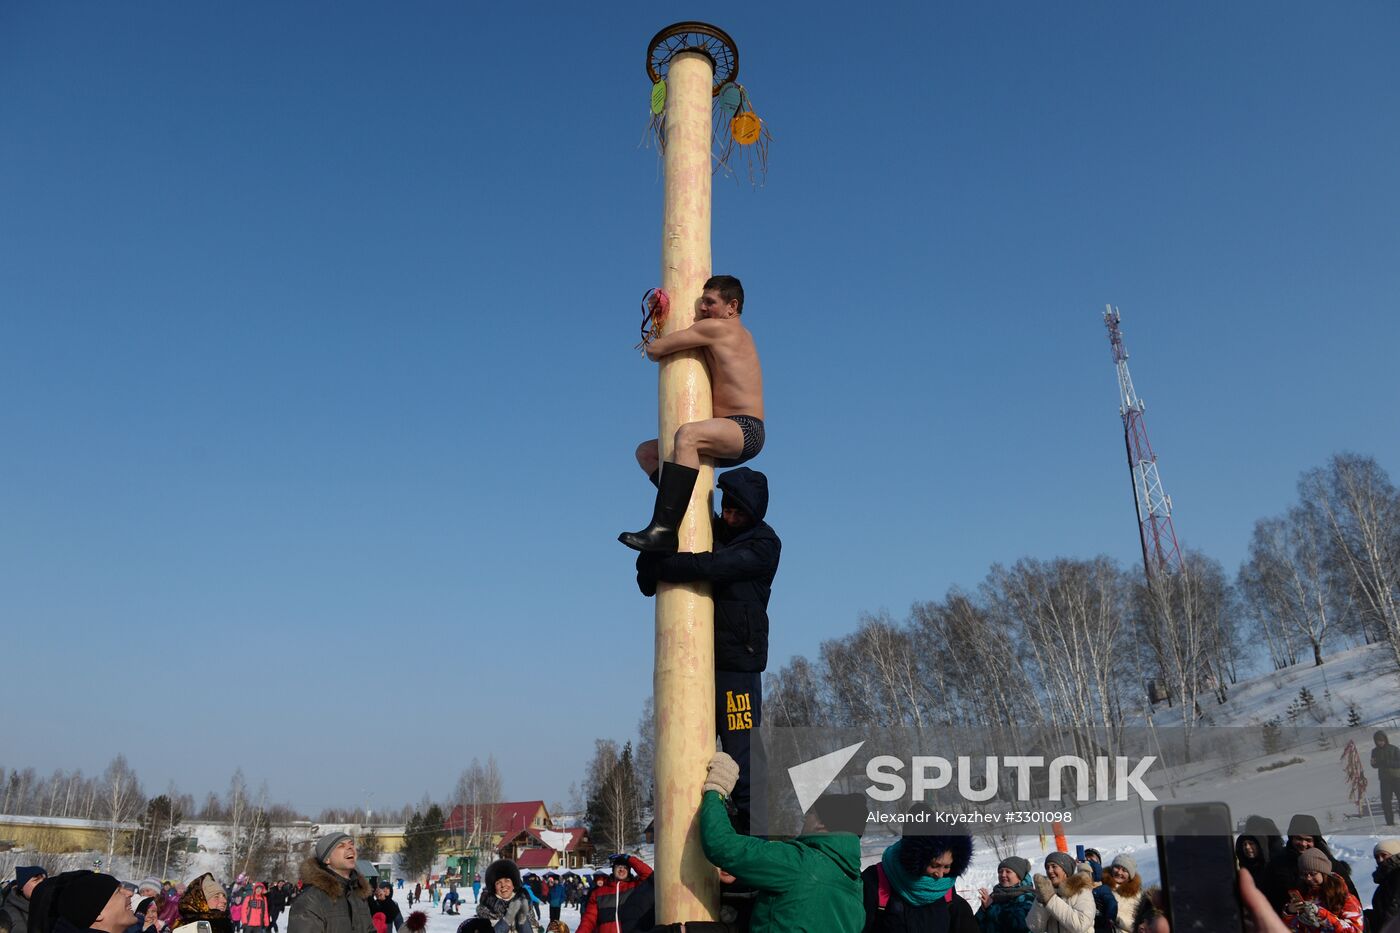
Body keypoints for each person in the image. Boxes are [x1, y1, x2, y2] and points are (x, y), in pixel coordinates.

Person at [636, 466, 779, 834]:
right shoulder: (707, 526)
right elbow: (655, 569)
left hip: (738, 666)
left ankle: (755, 836)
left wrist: (663, 565)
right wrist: (651, 559)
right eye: (727, 509)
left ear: (754, 514)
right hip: (695, 662)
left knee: (742, 754)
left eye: (738, 513)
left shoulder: (764, 545)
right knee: (686, 747)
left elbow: (714, 566)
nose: (729, 517)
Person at [621, 274, 766, 553]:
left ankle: (663, 529)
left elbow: (655, 350)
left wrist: (661, 320)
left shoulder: (719, 328)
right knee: (648, 453)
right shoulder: (729, 331)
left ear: (732, 307)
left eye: (710, 303)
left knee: (687, 435)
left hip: (744, 428)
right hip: (726, 429)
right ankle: (692, 514)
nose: (702, 308)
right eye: (701, 303)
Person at [698, 751, 864, 933]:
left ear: (821, 824)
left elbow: (720, 844)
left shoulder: (799, 862)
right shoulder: (855, 888)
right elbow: (800, 905)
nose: (804, 819)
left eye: (810, 814)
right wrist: (750, 871)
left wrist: (717, 788)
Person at [863, 822, 977, 933]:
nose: (940, 874)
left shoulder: (946, 891)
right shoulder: (875, 881)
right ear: (917, 859)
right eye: (935, 865)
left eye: (947, 866)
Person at [1262, 815, 1359, 911]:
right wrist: (1287, 909)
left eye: (1308, 840)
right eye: (1299, 839)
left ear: (1315, 840)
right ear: (1291, 838)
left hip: (1332, 921)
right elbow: (1269, 898)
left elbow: (1352, 899)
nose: (1303, 844)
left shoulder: (1329, 863)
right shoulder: (1278, 864)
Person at [288, 833, 374, 933]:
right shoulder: (311, 899)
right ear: (327, 859)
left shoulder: (358, 894)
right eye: (341, 846)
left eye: (351, 844)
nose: (350, 847)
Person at [1281, 848, 1363, 932]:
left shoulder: (1344, 896)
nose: (1308, 878)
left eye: (1313, 874)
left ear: (1323, 873)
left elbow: (1355, 930)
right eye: (1304, 874)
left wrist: (1321, 914)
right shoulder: (1305, 895)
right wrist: (1290, 913)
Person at [575, 855, 652, 933]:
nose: (621, 869)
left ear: (629, 870)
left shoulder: (636, 887)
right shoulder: (598, 893)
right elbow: (589, 919)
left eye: (625, 867)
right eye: (618, 866)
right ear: (613, 869)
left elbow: (650, 875)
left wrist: (630, 859)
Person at [1025, 853, 1094, 933]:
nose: (1050, 871)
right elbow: (1034, 927)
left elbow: (1081, 925)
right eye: (1047, 867)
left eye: (1054, 866)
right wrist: (1040, 900)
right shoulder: (1047, 892)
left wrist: (1050, 899)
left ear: (1065, 870)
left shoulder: (1081, 891)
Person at [473, 861, 537, 933]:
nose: (503, 885)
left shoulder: (525, 904)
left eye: (507, 880)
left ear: (514, 884)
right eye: (498, 882)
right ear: (494, 887)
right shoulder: (486, 910)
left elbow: (534, 928)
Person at [976, 857, 1034, 932]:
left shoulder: (1027, 897)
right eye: (1000, 871)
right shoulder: (995, 895)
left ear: (1019, 876)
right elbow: (975, 925)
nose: (1003, 875)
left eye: (1008, 871)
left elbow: (1020, 926)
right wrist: (983, 911)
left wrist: (991, 908)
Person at [1099, 855, 1142, 933]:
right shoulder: (1100, 885)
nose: (1119, 872)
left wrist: (1117, 918)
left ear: (1130, 875)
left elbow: (1138, 925)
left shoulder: (1137, 895)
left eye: (1124, 870)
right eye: (1117, 867)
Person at [2, 867, 47, 933]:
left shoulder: (49, 911)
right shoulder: (5, 915)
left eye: (44, 881)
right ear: (22, 886)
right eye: (36, 880)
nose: (42, 885)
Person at [1372, 840, 1400, 933]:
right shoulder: (1387, 878)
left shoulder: (1397, 875)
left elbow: (1393, 909)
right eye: (1377, 857)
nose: (1380, 860)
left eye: (1384, 855)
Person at [1375, 732, 1400, 827]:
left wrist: (1388, 762)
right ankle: (1389, 822)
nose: (1380, 743)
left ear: (1385, 739)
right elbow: (1374, 764)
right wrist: (1374, 763)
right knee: (1385, 801)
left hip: (1397, 778)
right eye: (1378, 741)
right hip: (1384, 779)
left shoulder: (1394, 749)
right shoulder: (1375, 751)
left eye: (1381, 740)